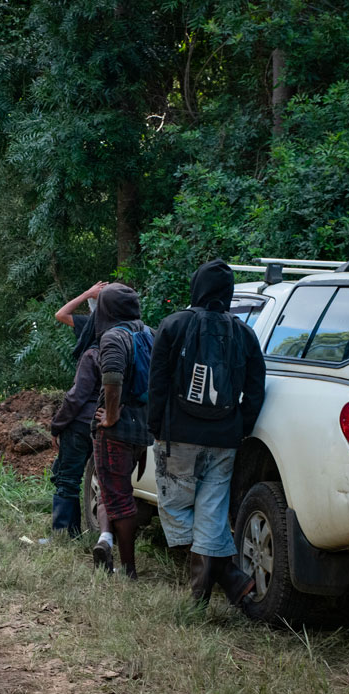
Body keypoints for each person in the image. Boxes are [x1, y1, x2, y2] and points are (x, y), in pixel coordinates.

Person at [147, 259, 265, 607]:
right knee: (212, 513)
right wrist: (240, 428)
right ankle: (208, 592)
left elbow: (158, 383)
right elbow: (257, 388)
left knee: (173, 508)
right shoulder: (244, 333)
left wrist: (155, 427)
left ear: (196, 286)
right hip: (225, 438)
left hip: (177, 436)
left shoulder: (173, 325)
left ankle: (226, 578)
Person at [91, 284, 153, 579]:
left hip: (117, 431)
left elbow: (112, 376)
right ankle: (118, 558)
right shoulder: (148, 333)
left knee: (119, 498)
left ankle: (128, 570)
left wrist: (111, 416)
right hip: (142, 427)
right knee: (120, 493)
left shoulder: (113, 337)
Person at [49, 281, 107, 535]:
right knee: (107, 482)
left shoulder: (92, 342)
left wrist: (57, 425)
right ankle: (104, 535)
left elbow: (77, 396)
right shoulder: (133, 335)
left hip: (82, 421)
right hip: (110, 420)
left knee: (67, 478)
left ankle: (64, 533)